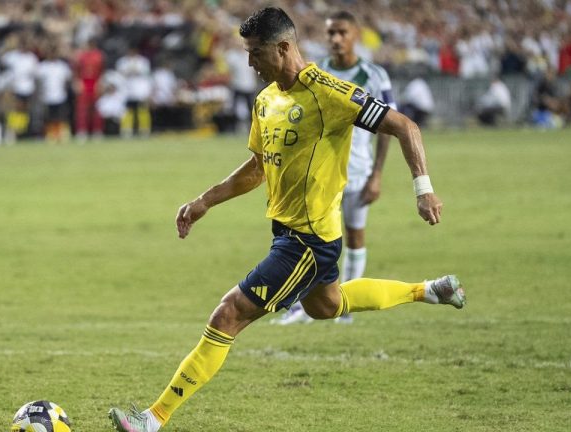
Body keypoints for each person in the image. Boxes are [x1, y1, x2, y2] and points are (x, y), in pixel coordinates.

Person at [108, 8, 465, 432]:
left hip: (308, 241)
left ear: (283, 47)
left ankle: (152, 418)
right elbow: (257, 168)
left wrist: (423, 189)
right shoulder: (266, 100)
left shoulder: (330, 94)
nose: (249, 64)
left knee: (227, 315)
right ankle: (430, 291)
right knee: (328, 305)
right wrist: (205, 201)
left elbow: (405, 126)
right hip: (294, 233)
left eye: (256, 53)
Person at [271, 10, 397, 325]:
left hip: (357, 170)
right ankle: (305, 307)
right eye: (330, 33)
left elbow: (390, 126)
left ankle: (345, 306)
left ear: (356, 34)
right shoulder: (316, 72)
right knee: (309, 241)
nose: (336, 39)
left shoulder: (374, 75)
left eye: (342, 32)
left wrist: (377, 174)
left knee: (354, 235)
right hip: (320, 173)